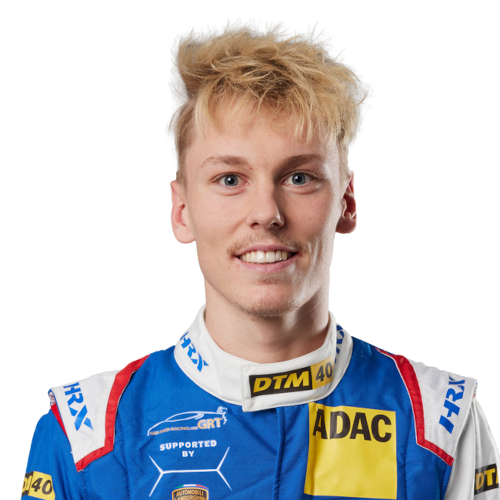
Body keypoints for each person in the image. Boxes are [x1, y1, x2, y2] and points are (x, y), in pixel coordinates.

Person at [22, 18, 499, 500]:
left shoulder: (439, 422)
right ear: (182, 212)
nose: (267, 213)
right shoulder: (85, 434)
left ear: (347, 202)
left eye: (299, 178)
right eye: (230, 179)